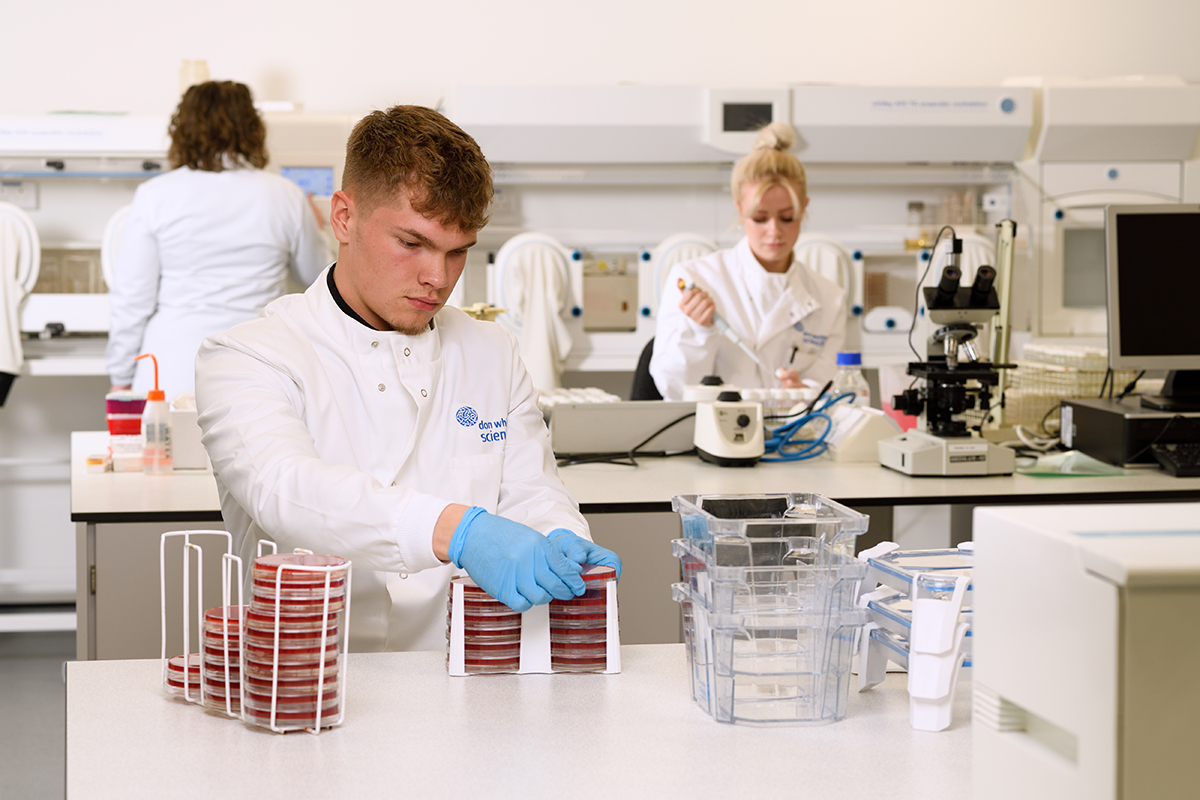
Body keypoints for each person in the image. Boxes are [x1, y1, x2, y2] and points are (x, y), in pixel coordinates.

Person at [194, 105, 621, 653]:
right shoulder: (249, 355)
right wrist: (459, 531)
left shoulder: (491, 351)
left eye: (457, 252)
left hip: (464, 672)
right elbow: (287, 491)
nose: (437, 278)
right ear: (343, 217)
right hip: (309, 680)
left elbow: (531, 489)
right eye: (412, 244)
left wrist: (560, 535)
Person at [106, 80, 333, 399]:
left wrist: (120, 374)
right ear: (253, 128)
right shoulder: (285, 195)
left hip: (171, 368)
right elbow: (320, 278)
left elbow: (132, 298)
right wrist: (318, 226)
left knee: (168, 450)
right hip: (258, 362)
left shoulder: (155, 196)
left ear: (181, 129)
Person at [649, 122, 846, 401]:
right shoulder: (694, 280)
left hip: (794, 437)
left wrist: (805, 392)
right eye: (760, 218)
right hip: (711, 436)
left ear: (804, 208)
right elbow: (672, 387)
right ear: (740, 209)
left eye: (787, 217)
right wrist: (698, 331)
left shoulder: (829, 298)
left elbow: (834, 389)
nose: (774, 231)